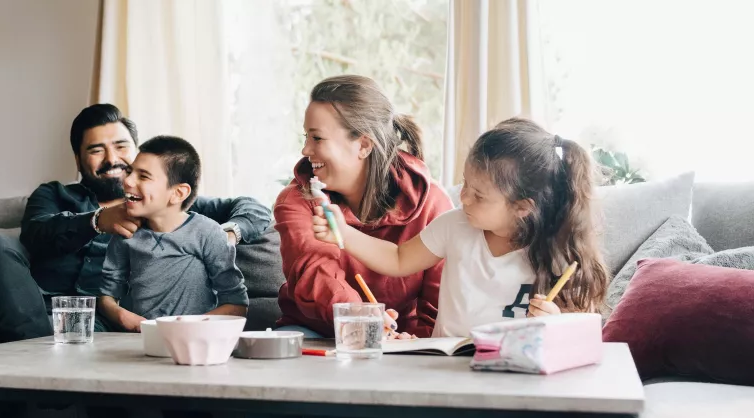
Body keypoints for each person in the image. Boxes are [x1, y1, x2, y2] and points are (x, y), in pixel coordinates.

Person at [0, 104, 271, 345]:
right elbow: (36, 234)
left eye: (122, 146)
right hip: (38, 310)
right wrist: (96, 222)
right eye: (96, 149)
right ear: (78, 158)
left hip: (106, 320)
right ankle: (38, 354)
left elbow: (255, 209)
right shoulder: (54, 194)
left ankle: (35, 365)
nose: (112, 158)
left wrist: (229, 232)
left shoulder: (164, 201)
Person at [312, 117, 609, 337]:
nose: (463, 197)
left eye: (479, 195)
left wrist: (556, 322)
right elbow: (398, 258)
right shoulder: (456, 225)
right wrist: (345, 234)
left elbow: (583, 335)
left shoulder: (554, 250)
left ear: (523, 207)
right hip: (446, 366)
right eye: (466, 183)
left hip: (512, 374)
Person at [273, 75, 454, 339]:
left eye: (317, 138)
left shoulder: (432, 203)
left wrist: (415, 340)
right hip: (317, 334)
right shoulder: (296, 200)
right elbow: (314, 273)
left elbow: (440, 303)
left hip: (401, 339)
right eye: (306, 137)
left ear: (364, 145)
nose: (305, 149)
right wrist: (362, 318)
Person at [98, 136, 248, 330]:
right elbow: (107, 296)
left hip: (194, 340)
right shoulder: (125, 233)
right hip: (141, 339)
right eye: (129, 172)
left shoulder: (208, 233)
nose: (127, 181)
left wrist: (188, 327)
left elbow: (237, 305)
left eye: (143, 176)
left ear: (178, 193)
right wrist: (121, 316)